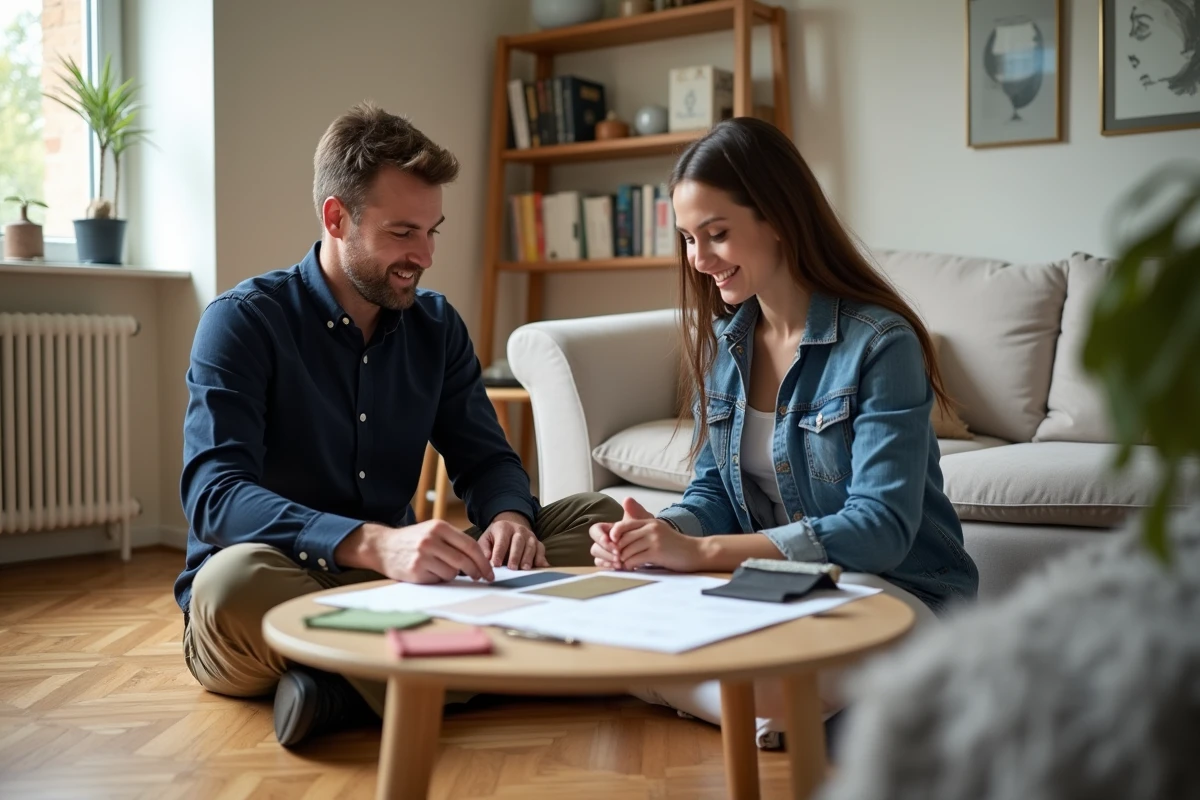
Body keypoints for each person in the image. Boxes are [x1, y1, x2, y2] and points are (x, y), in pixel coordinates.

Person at [178, 101, 622, 748]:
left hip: (397, 587)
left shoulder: (436, 327)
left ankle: (343, 690)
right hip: (283, 577)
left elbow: (487, 459)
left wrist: (510, 519)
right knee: (227, 585)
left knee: (592, 521)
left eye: (431, 231)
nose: (426, 255)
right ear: (337, 218)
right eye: (402, 233)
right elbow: (214, 496)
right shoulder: (243, 322)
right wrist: (371, 542)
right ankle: (496, 669)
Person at [588, 117, 980, 747]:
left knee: (735, 682)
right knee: (608, 636)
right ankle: (794, 711)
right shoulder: (726, 344)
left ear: (779, 217)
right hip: (777, 590)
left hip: (897, 591)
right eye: (689, 239)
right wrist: (662, 535)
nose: (700, 259)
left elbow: (879, 530)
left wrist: (703, 554)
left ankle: (783, 703)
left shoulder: (880, 344)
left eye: (717, 234)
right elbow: (715, 493)